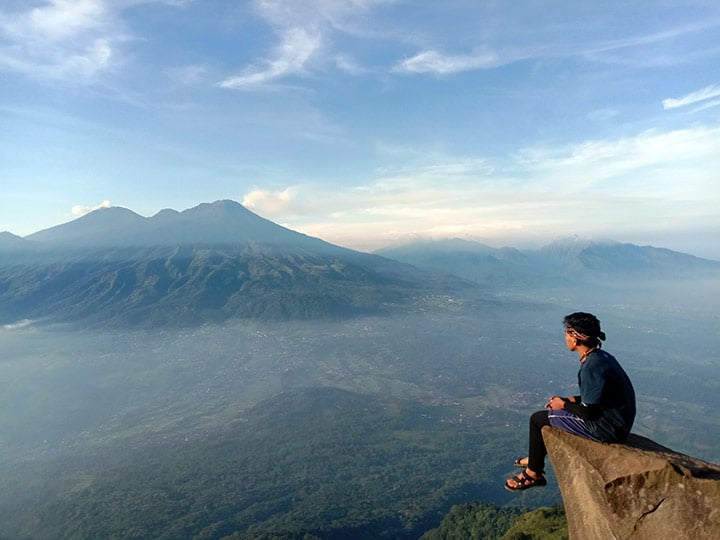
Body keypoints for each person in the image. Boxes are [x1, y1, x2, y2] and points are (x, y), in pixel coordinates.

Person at [505, 312, 636, 492]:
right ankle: (536, 457)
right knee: (551, 414)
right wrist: (569, 400)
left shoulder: (590, 367)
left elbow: (589, 413)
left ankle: (533, 473)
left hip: (605, 428)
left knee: (538, 419)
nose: (565, 339)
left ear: (575, 339)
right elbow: (600, 396)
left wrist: (563, 405)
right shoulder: (602, 357)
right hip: (618, 422)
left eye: (567, 335)